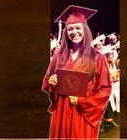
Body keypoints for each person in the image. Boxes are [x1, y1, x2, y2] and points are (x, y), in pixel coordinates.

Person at [42, 5, 111, 139]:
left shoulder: (97, 58)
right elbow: (47, 81)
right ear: (66, 31)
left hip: (82, 114)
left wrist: (82, 101)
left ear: (85, 30)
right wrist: (52, 82)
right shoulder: (58, 56)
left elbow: (104, 90)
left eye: (78, 28)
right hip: (61, 112)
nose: (74, 32)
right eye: (70, 29)